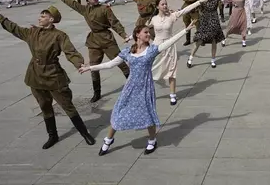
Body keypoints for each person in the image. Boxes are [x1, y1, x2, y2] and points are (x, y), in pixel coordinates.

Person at [0, 4, 95, 149]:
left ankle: (85, 133)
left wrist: (79, 64)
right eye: (40, 15)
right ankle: (52, 136)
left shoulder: (59, 35)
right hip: (35, 76)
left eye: (43, 16)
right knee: (44, 106)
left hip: (53, 75)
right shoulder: (33, 32)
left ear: (51, 19)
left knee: (67, 105)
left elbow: (70, 51)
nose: (40, 18)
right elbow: (14, 28)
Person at [79, 22, 195, 156]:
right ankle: (108, 140)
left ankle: (152, 141)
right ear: (137, 34)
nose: (148, 34)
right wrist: (90, 68)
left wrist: (185, 30)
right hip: (130, 88)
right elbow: (110, 64)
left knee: (148, 115)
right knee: (118, 113)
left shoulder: (152, 50)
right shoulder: (127, 51)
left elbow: (169, 42)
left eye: (148, 32)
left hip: (145, 88)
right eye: (145, 32)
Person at [57, 0, 131, 102]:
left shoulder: (105, 9)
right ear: (88, 1)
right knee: (93, 67)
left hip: (107, 39)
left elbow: (114, 23)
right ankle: (97, 93)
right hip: (93, 41)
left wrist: (123, 35)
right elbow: (72, 3)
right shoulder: (85, 10)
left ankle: (134, 85)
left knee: (120, 62)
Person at [148, 0, 206, 105]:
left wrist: (199, 2)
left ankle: (172, 95)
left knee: (171, 71)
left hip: (170, 45)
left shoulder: (172, 16)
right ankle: (149, 93)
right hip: (157, 46)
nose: (165, 6)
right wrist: (130, 37)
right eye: (162, 4)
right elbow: (143, 29)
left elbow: (185, 10)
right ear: (157, 7)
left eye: (166, 4)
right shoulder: (154, 19)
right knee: (152, 70)